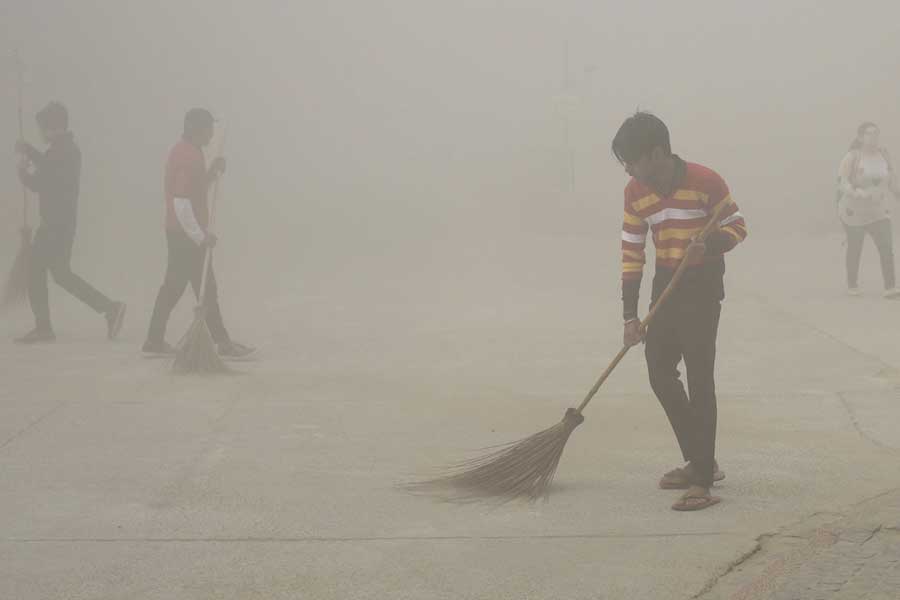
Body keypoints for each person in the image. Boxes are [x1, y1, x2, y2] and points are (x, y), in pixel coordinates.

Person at [612, 112, 747, 511]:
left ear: (657, 154)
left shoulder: (706, 181)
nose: (628, 170)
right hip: (666, 283)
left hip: (703, 286)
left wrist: (711, 245)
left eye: (632, 161)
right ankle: (701, 459)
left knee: (700, 378)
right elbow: (632, 251)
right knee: (659, 370)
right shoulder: (635, 192)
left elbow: (738, 226)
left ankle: (701, 480)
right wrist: (630, 316)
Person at [142, 108, 254, 359]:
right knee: (206, 289)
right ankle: (222, 342)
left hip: (180, 232)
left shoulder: (189, 152)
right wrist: (200, 236)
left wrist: (212, 172)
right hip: (186, 235)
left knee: (174, 287)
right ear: (196, 129)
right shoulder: (187, 156)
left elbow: (196, 189)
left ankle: (154, 339)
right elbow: (181, 202)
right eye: (208, 129)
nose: (211, 134)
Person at [14, 102, 126, 344]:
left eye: (43, 128)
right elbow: (48, 167)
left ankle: (44, 328)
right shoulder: (65, 150)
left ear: (54, 127)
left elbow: (41, 183)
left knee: (35, 270)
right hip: (63, 225)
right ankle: (110, 308)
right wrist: (30, 151)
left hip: (54, 225)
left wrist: (22, 173)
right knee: (62, 275)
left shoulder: (61, 152)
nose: (42, 133)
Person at [836, 122, 900, 298]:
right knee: (855, 248)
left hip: (879, 212)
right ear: (860, 137)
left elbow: (892, 181)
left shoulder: (884, 155)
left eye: (876, 133)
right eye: (869, 134)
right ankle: (852, 285)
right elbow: (842, 182)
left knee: (886, 247)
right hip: (853, 212)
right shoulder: (852, 157)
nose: (874, 137)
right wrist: (856, 193)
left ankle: (890, 287)